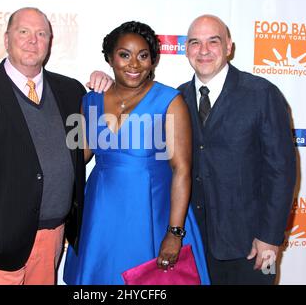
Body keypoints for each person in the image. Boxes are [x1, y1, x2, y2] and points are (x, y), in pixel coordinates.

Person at [0, 7, 108, 285]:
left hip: (54, 235)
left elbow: (79, 151)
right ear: (6, 38)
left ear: (50, 43)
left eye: (41, 34)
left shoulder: (71, 91)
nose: (32, 40)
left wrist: (106, 88)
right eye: (23, 31)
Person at [63, 21, 210, 285]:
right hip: (101, 216)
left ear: (153, 61)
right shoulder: (90, 100)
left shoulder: (169, 100)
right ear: (110, 58)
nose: (134, 64)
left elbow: (182, 170)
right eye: (124, 55)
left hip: (152, 213)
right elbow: (80, 156)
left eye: (143, 56)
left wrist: (175, 233)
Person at [176, 14, 297, 284]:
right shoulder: (177, 98)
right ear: (186, 50)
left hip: (252, 247)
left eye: (213, 41)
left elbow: (282, 171)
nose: (203, 50)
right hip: (193, 245)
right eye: (195, 42)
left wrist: (270, 237)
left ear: (229, 47)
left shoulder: (262, 94)